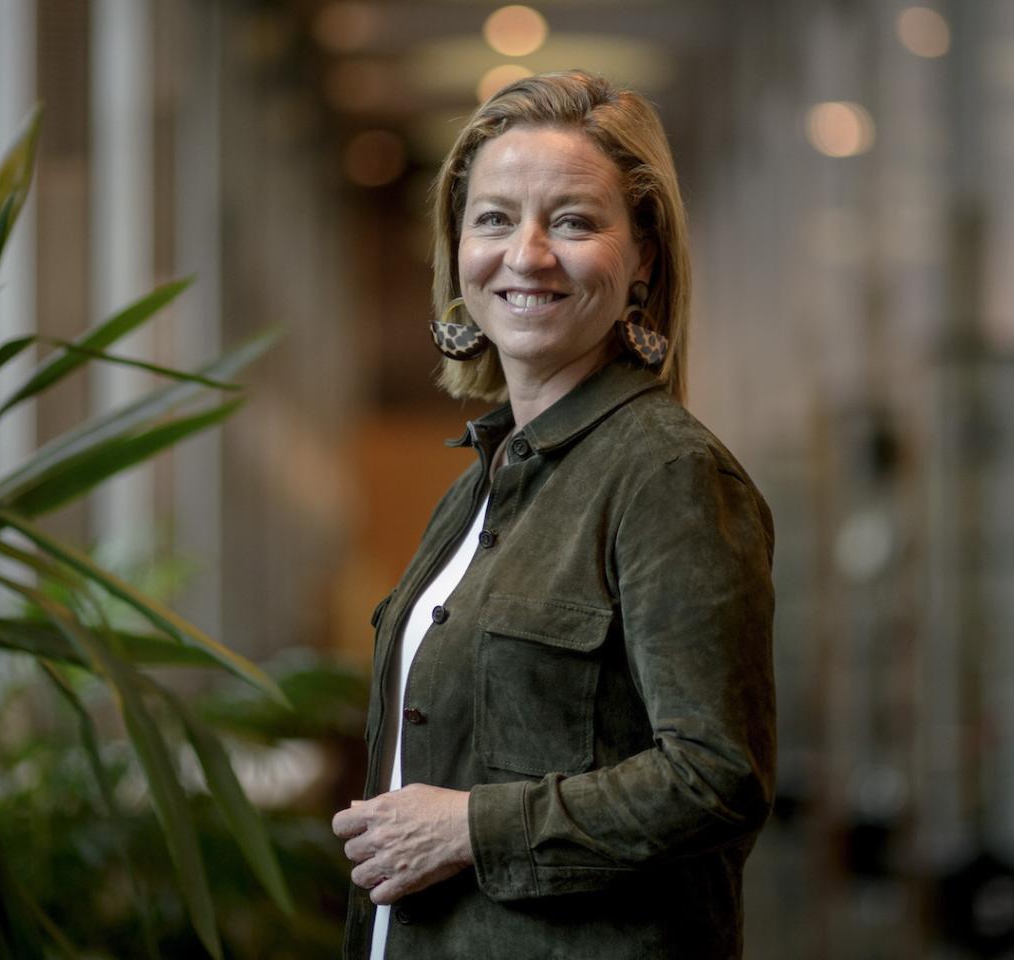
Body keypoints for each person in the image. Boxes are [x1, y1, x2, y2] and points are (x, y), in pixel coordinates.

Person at [332, 70, 776, 959]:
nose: (527, 255)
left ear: (643, 256)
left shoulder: (668, 475)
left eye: (572, 222)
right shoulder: (480, 484)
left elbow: (717, 779)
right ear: (458, 247)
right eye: (494, 219)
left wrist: (474, 829)